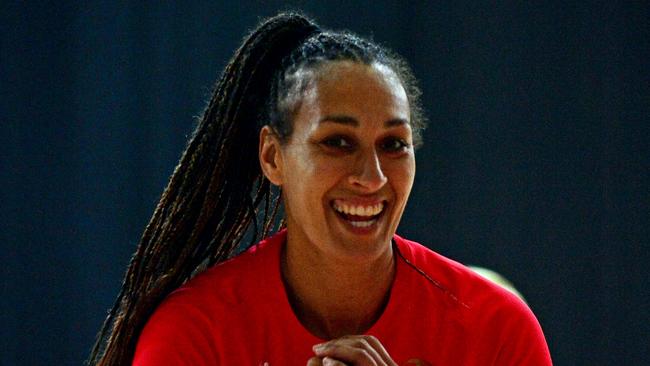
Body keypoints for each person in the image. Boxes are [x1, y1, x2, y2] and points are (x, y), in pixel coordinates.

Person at [89, 12, 552, 366]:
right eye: (337, 142)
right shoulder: (193, 335)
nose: (371, 177)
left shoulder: (496, 330)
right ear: (272, 156)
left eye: (393, 144)